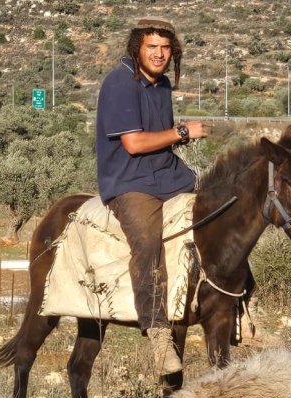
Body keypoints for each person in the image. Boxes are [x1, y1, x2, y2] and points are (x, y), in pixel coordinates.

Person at [95, 17, 210, 375]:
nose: (160, 55)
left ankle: (241, 307)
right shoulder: (119, 84)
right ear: (137, 48)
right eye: (152, 48)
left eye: (165, 48)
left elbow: (161, 140)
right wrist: (181, 131)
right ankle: (158, 335)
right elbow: (134, 143)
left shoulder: (160, 86)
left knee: (222, 213)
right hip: (131, 181)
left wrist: (180, 137)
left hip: (166, 173)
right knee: (147, 244)